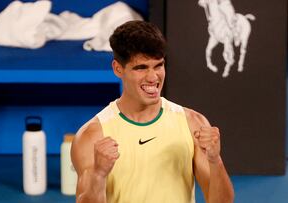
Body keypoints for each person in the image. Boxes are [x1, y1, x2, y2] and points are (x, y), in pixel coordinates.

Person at [71, 20, 234, 203]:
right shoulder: (92, 136)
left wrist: (215, 160)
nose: (153, 77)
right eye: (141, 68)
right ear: (118, 69)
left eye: (158, 65)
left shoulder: (193, 123)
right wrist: (99, 175)